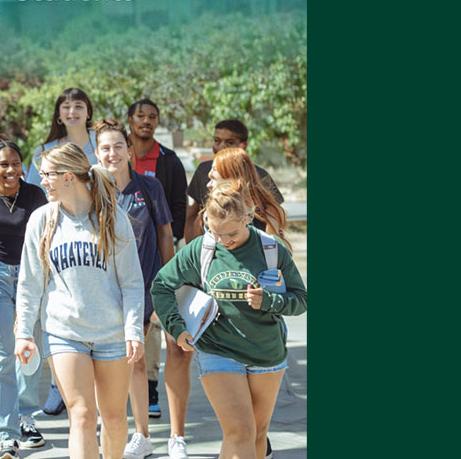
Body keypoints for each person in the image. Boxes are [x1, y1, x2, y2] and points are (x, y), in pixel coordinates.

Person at [151, 189, 306, 459]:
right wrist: (176, 328)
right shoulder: (203, 248)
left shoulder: (271, 249)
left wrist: (269, 301)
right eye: (216, 232)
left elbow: (301, 300)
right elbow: (161, 285)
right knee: (239, 432)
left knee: (256, 434)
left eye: (231, 234)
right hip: (217, 351)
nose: (224, 241)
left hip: (266, 353)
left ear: (247, 218)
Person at [15, 143, 144, 459]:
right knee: (82, 414)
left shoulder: (112, 219)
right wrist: (24, 332)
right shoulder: (42, 220)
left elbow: (131, 282)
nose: (42, 180)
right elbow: (30, 284)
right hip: (64, 333)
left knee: (113, 419)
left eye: (47, 174)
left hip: (112, 335)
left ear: (68, 177)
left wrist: (133, 330)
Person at [90, 120, 176, 458]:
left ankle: (141, 435)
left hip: (142, 288)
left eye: (118, 146)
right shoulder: (91, 190)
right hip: (102, 290)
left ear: (129, 150)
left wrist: (168, 284)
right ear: (97, 153)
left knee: (136, 361)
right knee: (103, 363)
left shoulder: (149, 188)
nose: (112, 153)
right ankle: (110, 427)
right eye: (105, 148)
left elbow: (166, 235)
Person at [0, 130, 51, 459]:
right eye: (4, 164)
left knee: (29, 349)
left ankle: (26, 416)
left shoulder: (35, 194)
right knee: (2, 353)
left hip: (31, 276)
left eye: (16, 164)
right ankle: (6, 435)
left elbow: (46, 237)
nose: (11, 170)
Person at [187, 119, 282, 239]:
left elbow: (275, 222)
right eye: (217, 141)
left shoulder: (261, 177)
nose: (222, 146)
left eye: (229, 142)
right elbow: (191, 216)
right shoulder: (203, 170)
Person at [124, 99, 190, 242]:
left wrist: (173, 237)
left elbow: (179, 203)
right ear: (130, 120)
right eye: (140, 116)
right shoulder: (115, 155)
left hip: (156, 242)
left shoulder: (170, 160)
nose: (146, 121)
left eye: (152, 117)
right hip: (119, 239)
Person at [210, 148, 293, 252]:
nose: (208, 184)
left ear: (232, 174)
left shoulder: (267, 213)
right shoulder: (215, 209)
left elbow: (277, 254)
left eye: (214, 171)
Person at [24, 87, 94, 187]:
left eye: (78, 106)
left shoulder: (103, 144)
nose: (72, 111)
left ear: (88, 113)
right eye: (66, 107)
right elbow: (34, 191)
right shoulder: (44, 152)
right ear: (58, 115)